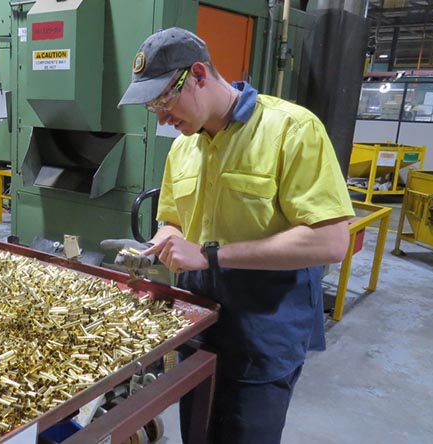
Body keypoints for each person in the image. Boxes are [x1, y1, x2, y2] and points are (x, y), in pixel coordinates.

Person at [101, 27, 354, 444]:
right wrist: (162, 241)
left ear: (199, 74)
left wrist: (209, 254)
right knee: (197, 433)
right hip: (197, 322)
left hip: (263, 329)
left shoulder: (290, 129)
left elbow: (330, 241)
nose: (162, 116)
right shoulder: (183, 147)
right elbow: (174, 221)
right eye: (153, 107)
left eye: (164, 99)